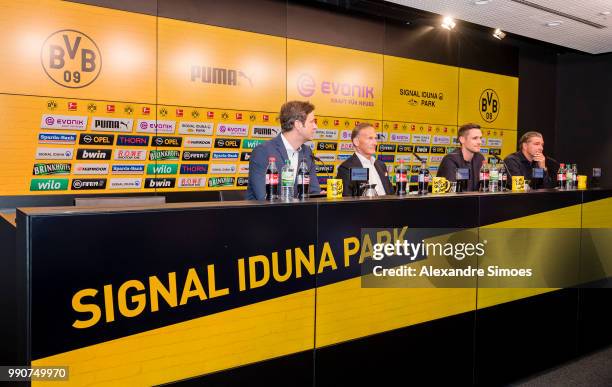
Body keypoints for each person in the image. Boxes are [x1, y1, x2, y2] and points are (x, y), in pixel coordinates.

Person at [247, 101, 321, 200]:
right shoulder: (263, 152)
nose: (316, 127)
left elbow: (313, 192)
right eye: (312, 122)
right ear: (298, 124)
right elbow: (264, 198)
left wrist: (321, 197)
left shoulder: (307, 152)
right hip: (266, 214)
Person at [336, 122, 393, 196]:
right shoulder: (347, 168)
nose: (375, 143)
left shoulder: (381, 165)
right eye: (370, 138)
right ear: (356, 142)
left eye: (375, 138)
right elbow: (346, 202)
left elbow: (391, 193)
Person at [436, 123, 485, 191]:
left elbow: (483, 187)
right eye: (475, 138)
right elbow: (449, 192)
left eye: (480, 138)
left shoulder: (480, 158)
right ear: (462, 140)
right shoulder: (450, 160)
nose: (479, 142)